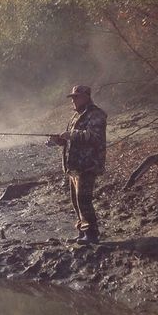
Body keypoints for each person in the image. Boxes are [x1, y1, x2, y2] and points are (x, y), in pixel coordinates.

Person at [49, 85, 107, 243]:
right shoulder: (76, 116)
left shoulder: (96, 114)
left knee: (83, 199)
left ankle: (92, 234)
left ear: (86, 97)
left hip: (88, 165)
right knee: (75, 200)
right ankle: (83, 231)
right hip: (74, 166)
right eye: (72, 97)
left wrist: (71, 135)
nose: (73, 100)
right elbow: (73, 139)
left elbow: (95, 137)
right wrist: (60, 140)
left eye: (76, 97)